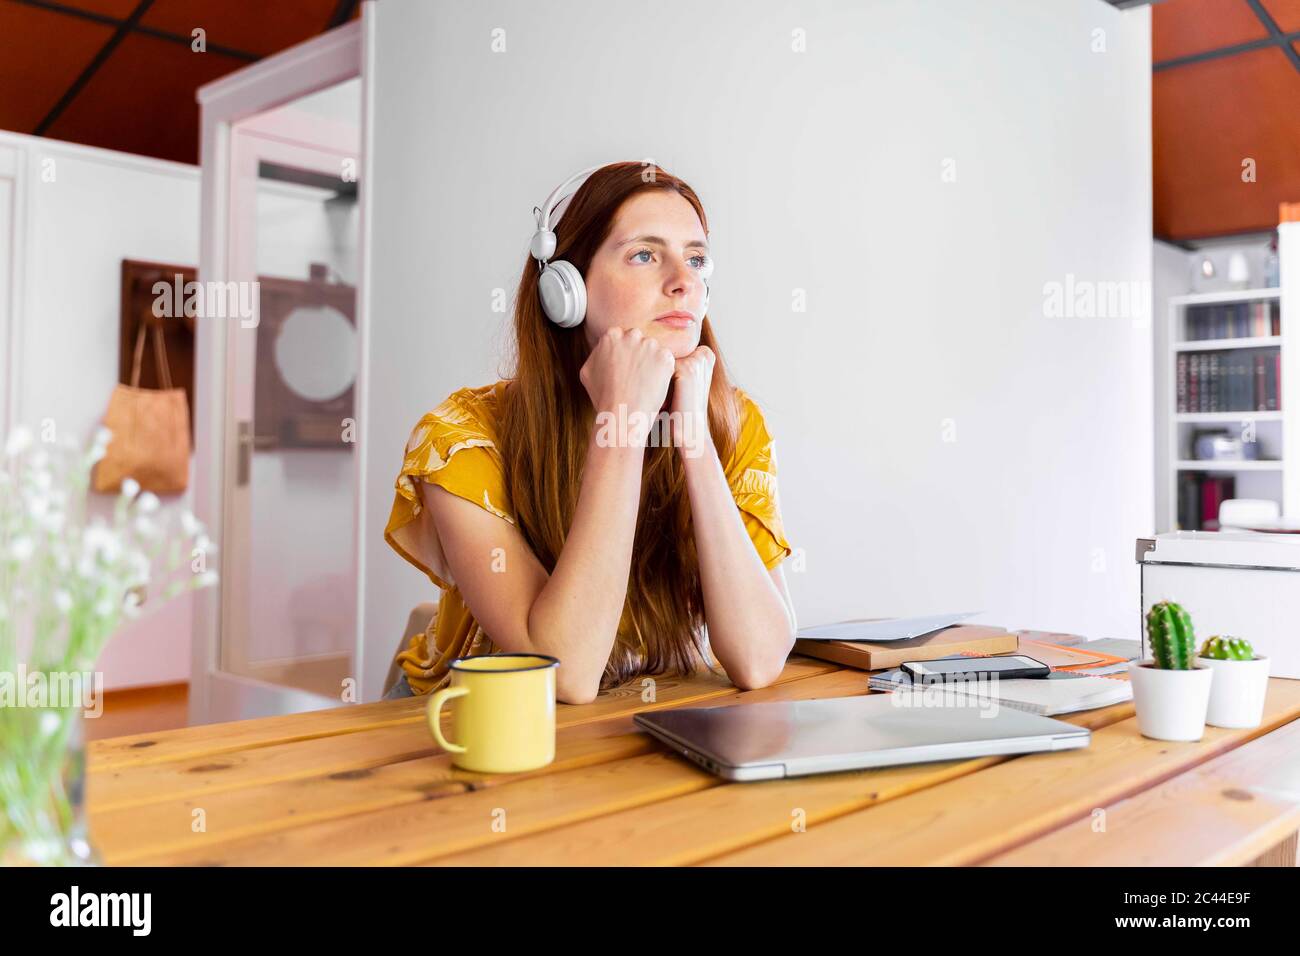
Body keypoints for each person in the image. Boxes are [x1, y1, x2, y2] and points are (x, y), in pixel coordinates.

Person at [382, 161, 796, 704]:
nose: (684, 281)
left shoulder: (733, 423)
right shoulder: (459, 439)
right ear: (566, 290)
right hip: (468, 730)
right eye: (645, 254)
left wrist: (691, 435)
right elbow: (565, 673)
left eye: (696, 259)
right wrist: (620, 425)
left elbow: (759, 659)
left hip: (626, 723)